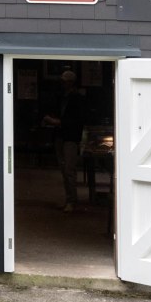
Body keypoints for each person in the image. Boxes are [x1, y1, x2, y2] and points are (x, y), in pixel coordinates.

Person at [43, 70, 88, 212]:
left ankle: (72, 201)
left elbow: (76, 120)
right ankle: (69, 199)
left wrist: (56, 122)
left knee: (69, 169)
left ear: (70, 82)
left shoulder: (77, 99)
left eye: (64, 81)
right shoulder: (62, 97)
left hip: (70, 137)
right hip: (61, 136)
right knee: (64, 169)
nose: (62, 83)